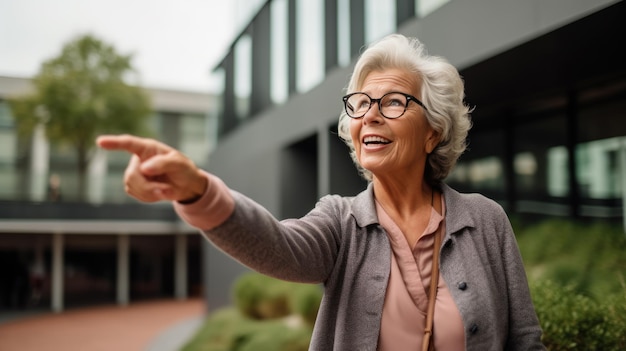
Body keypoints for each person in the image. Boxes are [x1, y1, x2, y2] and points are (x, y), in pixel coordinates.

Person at [97, 34, 545, 350]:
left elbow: (525, 340)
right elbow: (277, 246)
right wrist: (198, 190)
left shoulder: (485, 220)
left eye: (393, 102)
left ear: (433, 132)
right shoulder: (341, 221)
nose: (370, 115)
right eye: (361, 104)